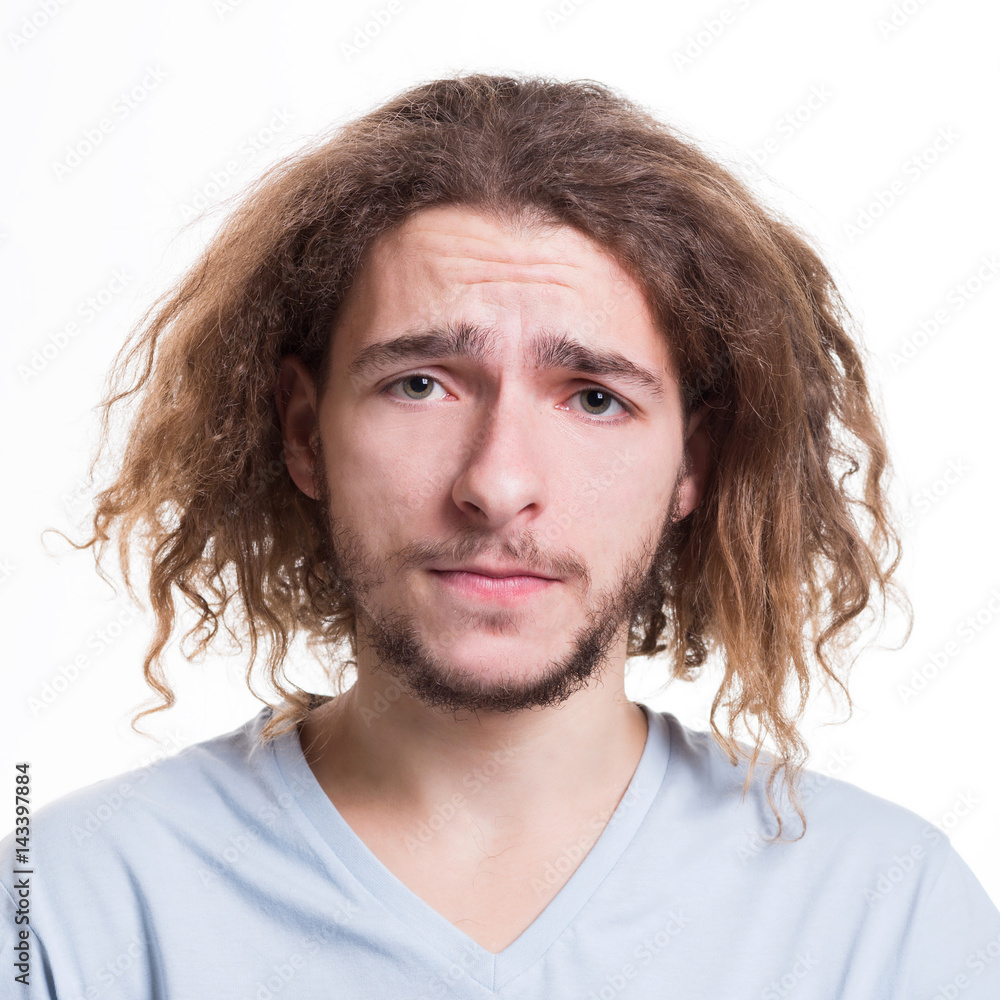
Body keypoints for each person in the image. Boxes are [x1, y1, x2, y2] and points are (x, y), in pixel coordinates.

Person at [4, 72, 999, 999]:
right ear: (305, 432)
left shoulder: (886, 917)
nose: (496, 483)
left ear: (692, 463)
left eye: (595, 398)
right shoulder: (68, 909)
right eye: (420, 384)